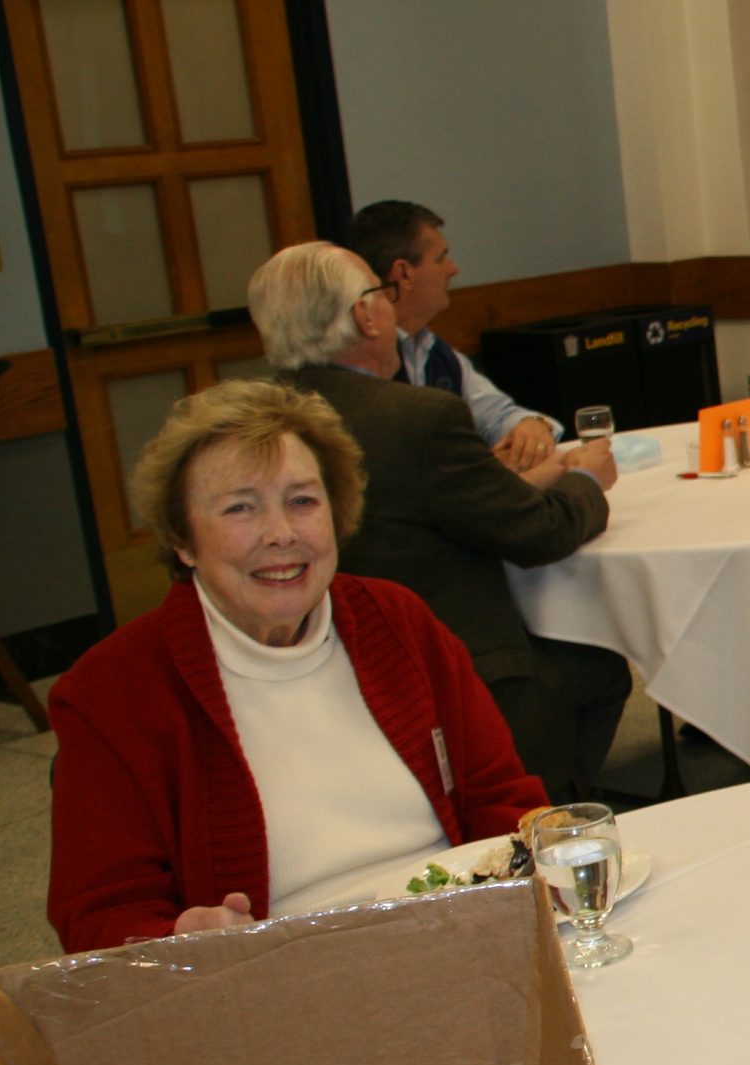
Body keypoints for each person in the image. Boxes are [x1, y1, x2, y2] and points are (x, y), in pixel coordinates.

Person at [47, 378, 544, 953]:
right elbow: (100, 918)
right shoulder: (112, 691)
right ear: (183, 541)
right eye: (240, 507)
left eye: (302, 501)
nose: (281, 534)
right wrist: (182, 936)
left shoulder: (398, 621)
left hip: (463, 939)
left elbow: (501, 799)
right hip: (282, 972)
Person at [258, 242, 627, 803]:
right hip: (455, 672)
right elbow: (539, 533)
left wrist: (528, 475)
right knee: (602, 667)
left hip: (317, 672)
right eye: (382, 295)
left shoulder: (261, 425)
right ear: (366, 315)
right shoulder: (417, 418)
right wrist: (586, 480)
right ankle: (550, 809)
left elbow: (428, 503)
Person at [347, 201, 561, 471]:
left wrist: (532, 426)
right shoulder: (362, 360)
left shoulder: (434, 350)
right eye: (440, 259)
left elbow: (498, 416)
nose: (453, 269)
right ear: (404, 273)